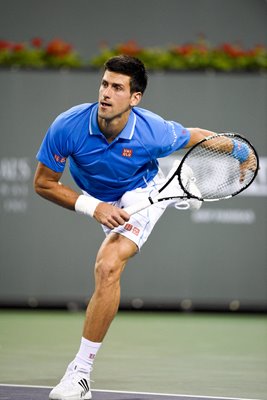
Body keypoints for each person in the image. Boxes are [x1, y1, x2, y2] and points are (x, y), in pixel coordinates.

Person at [34, 55, 218, 400]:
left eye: (117, 87)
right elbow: (44, 183)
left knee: (108, 266)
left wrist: (241, 152)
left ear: (135, 98)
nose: (106, 93)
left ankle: (80, 375)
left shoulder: (153, 131)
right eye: (105, 84)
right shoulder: (68, 125)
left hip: (141, 192)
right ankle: (177, 186)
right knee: (107, 264)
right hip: (100, 197)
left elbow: (197, 137)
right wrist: (95, 208)